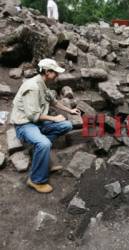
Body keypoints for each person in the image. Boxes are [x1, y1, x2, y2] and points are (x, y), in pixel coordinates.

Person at [10, 58, 80, 193]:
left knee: (66, 125)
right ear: (47, 72)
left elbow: (53, 101)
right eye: (55, 73)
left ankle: (40, 156)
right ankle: (36, 180)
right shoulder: (33, 87)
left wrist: (69, 110)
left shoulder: (43, 83)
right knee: (44, 144)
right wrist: (53, 118)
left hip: (37, 123)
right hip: (25, 125)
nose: (57, 76)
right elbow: (32, 116)